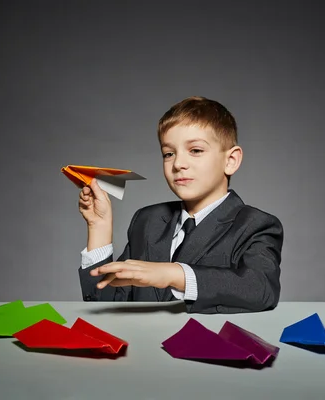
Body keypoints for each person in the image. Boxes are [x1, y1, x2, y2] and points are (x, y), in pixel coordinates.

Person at [77, 96, 283, 314]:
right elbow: (105, 304)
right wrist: (99, 227)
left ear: (230, 160)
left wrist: (174, 274)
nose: (178, 164)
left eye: (195, 150)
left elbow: (261, 289)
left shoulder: (256, 225)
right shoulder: (148, 221)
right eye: (169, 154)